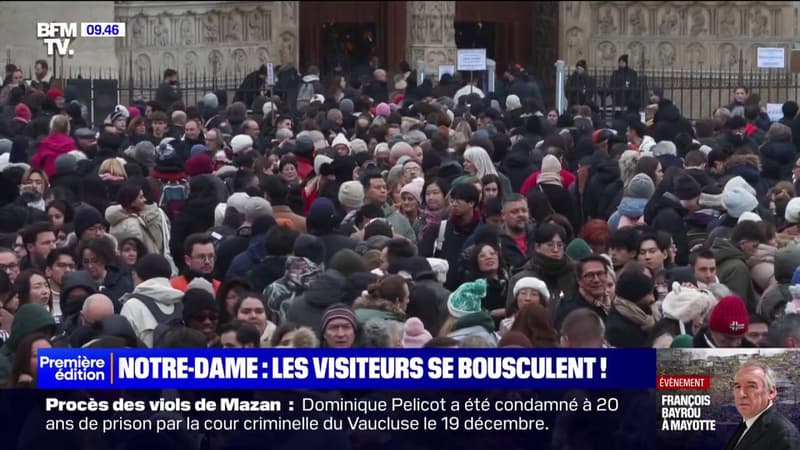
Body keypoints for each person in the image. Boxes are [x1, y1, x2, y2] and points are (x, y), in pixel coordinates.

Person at [725, 360, 800, 450]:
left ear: (771, 392)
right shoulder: (747, 423)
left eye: (751, 386)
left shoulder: (784, 435)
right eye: (737, 386)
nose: (741, 394)